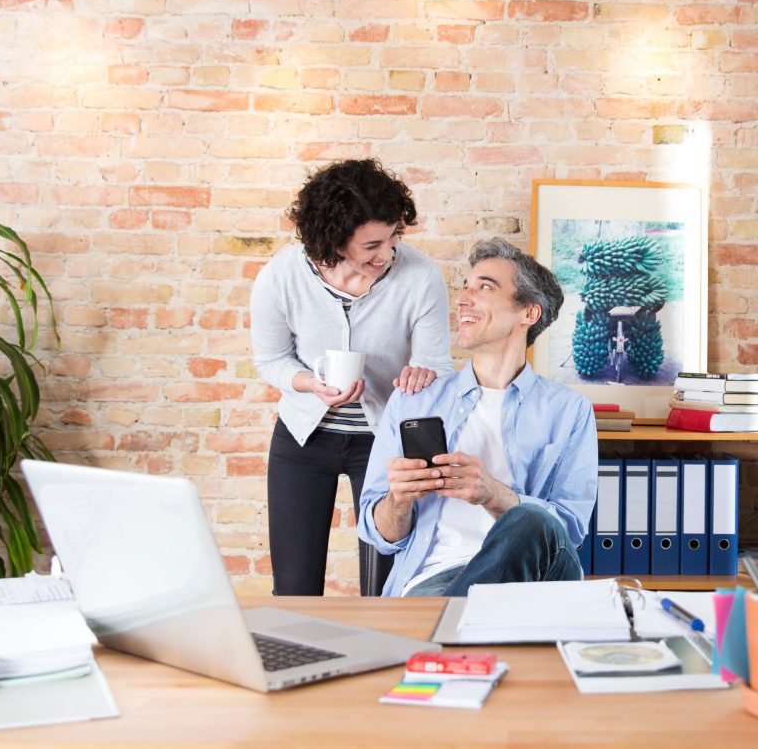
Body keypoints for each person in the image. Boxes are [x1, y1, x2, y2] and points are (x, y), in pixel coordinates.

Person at [250, 159, 453, 596]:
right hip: (303, 439)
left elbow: (440, 366)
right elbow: (271, 360)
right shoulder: (280, 277)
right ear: (335, 241)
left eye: (395, 237)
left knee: (385, 583)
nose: (388, 254)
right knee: (295, 585)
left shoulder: (420, 278)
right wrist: (310, 384)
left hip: (386, 442)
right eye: (372, 245)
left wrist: (423, 375)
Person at [358, 238, 598, 597]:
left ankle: (451, 628)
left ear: (528, 314)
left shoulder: (569, 410)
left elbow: (568, 530)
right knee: (460, 601)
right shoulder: (415, 400)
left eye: (484, 287)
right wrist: (400, 499)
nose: (462, 299)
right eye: (465, 287)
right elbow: (379, 535)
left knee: (532, 519)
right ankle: (463, 617)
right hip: (436, 581)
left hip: (535, 582)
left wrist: (494, 495)